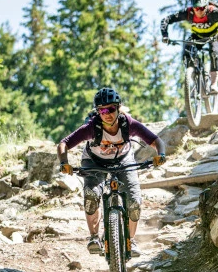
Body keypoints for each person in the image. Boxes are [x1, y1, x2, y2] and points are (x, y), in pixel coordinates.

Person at [56, 87, 167, 257]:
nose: (107, 114)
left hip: (123, 160)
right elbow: (64, 143)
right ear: (97, 112)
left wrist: (161, 154)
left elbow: (156, 140)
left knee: (134, 202)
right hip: (94, 161)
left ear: (118, 108)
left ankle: (130, 240)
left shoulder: (128, 124)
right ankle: (94, 237)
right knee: (91, 196)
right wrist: (64, 162)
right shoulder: (92, 127)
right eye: (102, 110)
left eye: (111, 109)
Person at [160, 0, 218, 95]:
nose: (199, 11)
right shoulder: (188, 13)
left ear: (206, 6)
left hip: (214, 36)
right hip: (197, 36)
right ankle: (194, 80)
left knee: (214, 53)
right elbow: (166, 20)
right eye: (196, 8)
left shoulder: (214, 12)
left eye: (202, 8)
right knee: (186, 50)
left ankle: (214, 84)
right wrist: (165, 36)